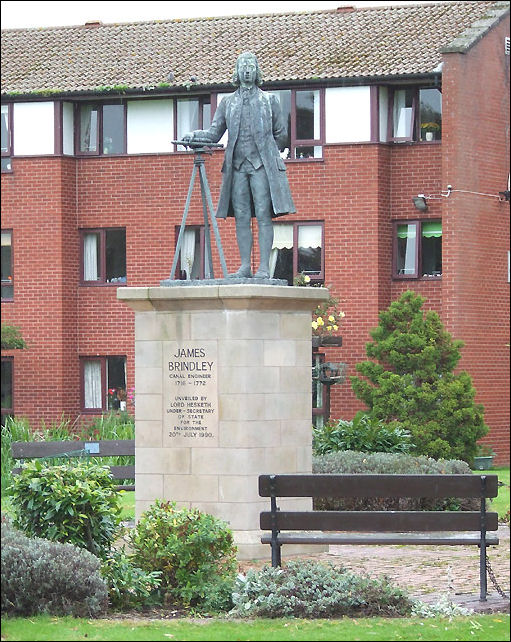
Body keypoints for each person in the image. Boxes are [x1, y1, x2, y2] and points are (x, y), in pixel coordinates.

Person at [183, 52, 295, 279]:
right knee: (242, 215)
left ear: (256, 72)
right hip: (237, 167)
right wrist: (194, 135)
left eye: (251, 66)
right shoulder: (228, 103)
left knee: (263, 212)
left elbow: (282, 135)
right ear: (236, 71)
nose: (247, 70)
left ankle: (263, 267)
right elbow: (214, 133)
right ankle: (245, 265)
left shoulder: (270, 101)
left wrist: (267, 149)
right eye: (242, 66)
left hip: (261, 165)